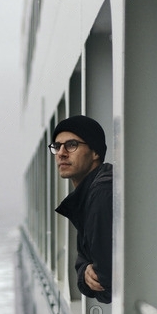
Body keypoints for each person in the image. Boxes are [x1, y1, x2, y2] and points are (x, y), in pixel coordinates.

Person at [49, 115, 113, 304]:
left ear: (95, 152)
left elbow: (105, 286)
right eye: (57, 146)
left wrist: (88, 278)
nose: (61, 153)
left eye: (71, 145)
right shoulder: (91, 192)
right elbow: (85, 258)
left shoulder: (102, 193)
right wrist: (85, 271)